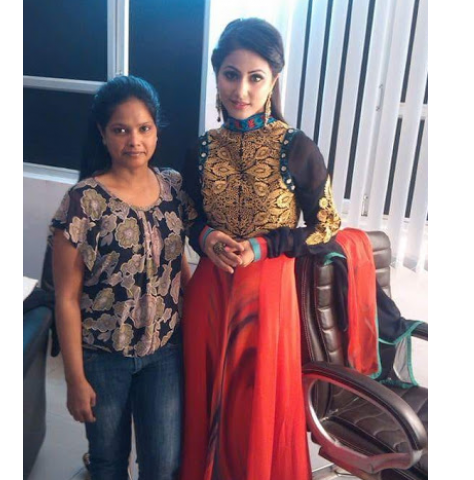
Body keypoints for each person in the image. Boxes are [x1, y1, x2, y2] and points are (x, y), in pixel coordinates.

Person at [180, 18, 342, 480]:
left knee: (255, 409)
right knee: (205, 404)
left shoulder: (297, 148)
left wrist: (266, 244)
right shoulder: (203, 149)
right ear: (217, 75)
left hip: (268, 299)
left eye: (255, 77)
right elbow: (187, 215)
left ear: (273, 80)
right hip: (210, 295)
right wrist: (205, 237)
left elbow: (327, 227)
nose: (241, 90)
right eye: (231, 75)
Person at [50, 75, 194, 480]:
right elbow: (65, 298)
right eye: (121, 130)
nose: (135, 141)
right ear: (103, 133)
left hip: (164, 353)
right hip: (103, 358)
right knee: (109, 462)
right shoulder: (83, 202)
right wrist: (75, 379)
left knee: (163, 464)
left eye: (144, 128)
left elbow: (178, 263)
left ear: (156, 130)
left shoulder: (173, 187)